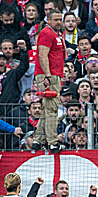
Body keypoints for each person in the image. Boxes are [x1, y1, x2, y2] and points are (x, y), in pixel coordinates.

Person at [35, 10, 67, 152]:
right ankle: (53, 142)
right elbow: (42, 55)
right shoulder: (47, 33)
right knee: (52, 109)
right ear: (48, 20)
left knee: (46, 109)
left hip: (53, 74)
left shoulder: (56, 33)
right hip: (48, 75)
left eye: (60, 19)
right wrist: (47, 75)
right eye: (56, 20)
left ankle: (38, 140)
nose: (59, 22)